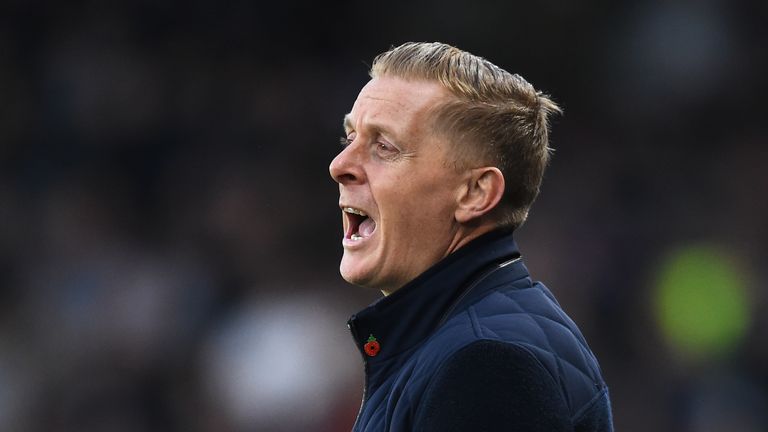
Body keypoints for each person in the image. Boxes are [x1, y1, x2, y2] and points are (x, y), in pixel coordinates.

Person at [329, 41, 613, 432]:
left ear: (476, 193)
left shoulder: (488, 363)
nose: (340, 165)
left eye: (384, 146)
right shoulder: (460, 338)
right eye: (350, 139)